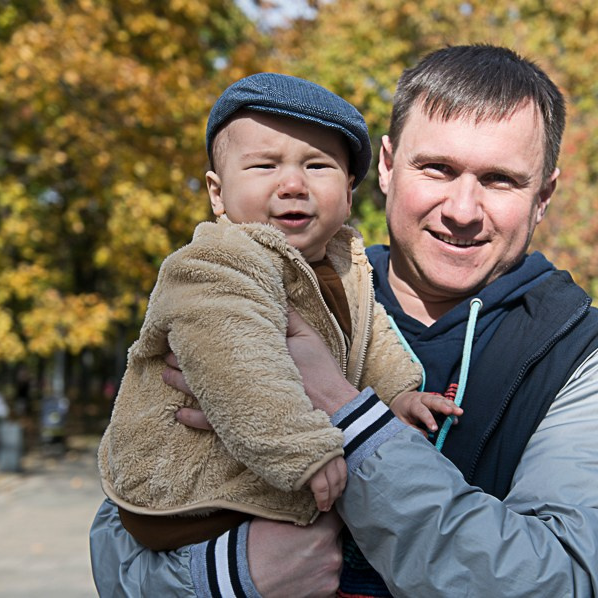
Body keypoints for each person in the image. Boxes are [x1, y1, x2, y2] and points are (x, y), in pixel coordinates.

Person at [90, 45, 598, 597]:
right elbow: (126, 519)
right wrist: (228, 576)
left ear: (544, 194)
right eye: (436, 169)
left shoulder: (594, 357)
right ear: (387, 167)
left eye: (499, 180)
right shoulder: (261, 289)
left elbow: (566, 583)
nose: (463, 211)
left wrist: (346, 412)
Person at [96, 73, 457, 553]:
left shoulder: (345, 263)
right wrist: (301, 446)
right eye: (264, 165)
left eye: (317, 165)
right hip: (192, 492)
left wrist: (396, 395)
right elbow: (238, 364)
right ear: (217, 192)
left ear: (349, 193)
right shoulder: (219, 261)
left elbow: (372, 339)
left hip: (265, 484)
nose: (292, 184)